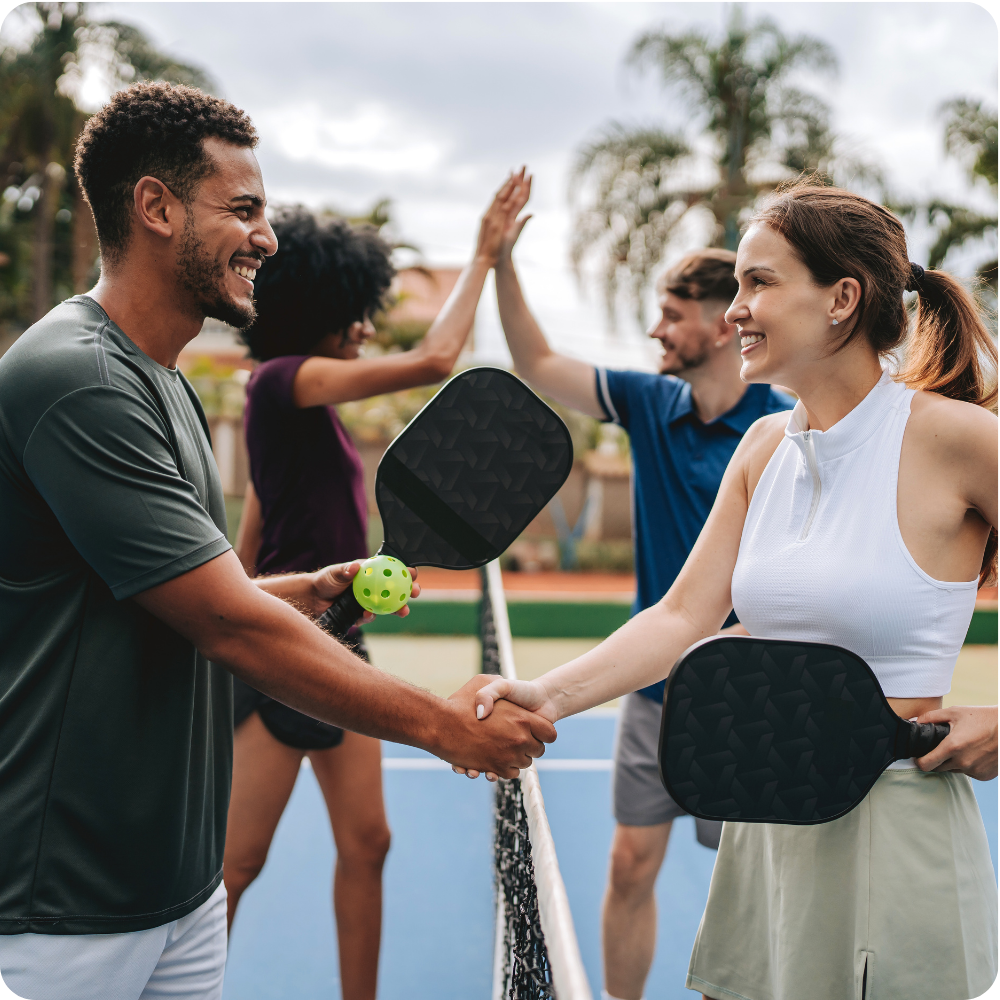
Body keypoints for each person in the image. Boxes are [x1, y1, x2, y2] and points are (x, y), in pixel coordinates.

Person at [0, 83, 554, 1000]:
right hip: (68, 905)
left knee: (343, 845)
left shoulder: (166, 384)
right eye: (244, 209)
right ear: (156, 207)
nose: (268, 238)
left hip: (173, 892)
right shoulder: (79, 379)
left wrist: (298, 586)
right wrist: (440, 724)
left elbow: (189, 594)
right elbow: (228, 628)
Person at [472, 182, 999, 1000]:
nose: (735, 311)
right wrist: (541, 695)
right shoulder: (762, 448)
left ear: (841, 300)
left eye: (760, 283)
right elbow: (682, 616)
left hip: (895, 829)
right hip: (766, 816)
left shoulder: (959, 439)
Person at [482, 170, 793, 1000]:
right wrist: (502, 264)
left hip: (749, 699)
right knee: (628, 865)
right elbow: (537, 361)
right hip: (652, 692)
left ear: (724, 323)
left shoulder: (790, 427)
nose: (655, 329)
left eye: (671, 313)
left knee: (755, 891)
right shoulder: (651, 405)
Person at [225, 187, 517, 999]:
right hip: (288, 654)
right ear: (315, 308)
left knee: (368, 842)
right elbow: (433, 361)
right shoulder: (280, 382)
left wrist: (339, 592)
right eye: (352, 312)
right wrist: (485, 254)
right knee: (235, 866)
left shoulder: (298, 410)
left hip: (338, 635)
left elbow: (256, 528)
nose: (361, 328)